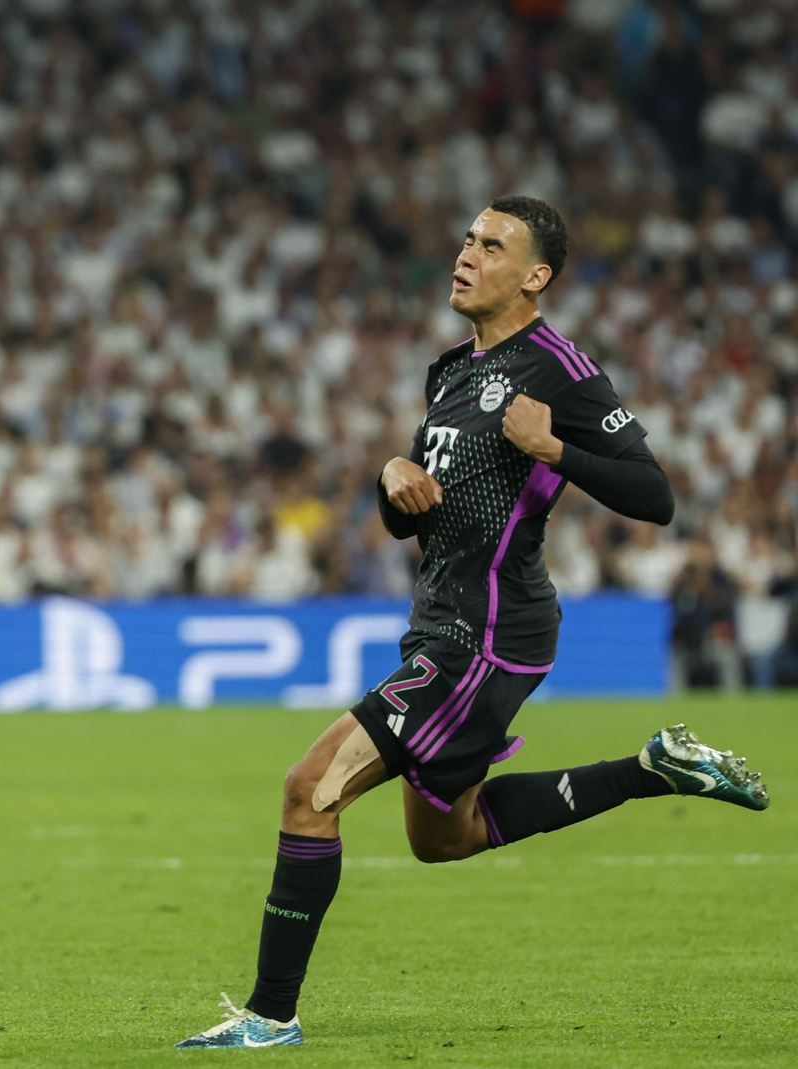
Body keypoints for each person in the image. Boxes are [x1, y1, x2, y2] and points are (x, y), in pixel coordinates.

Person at [176, 196, 769, 1050]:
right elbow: (414, 516)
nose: (466, 254)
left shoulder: (561, 369)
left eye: (492, 246)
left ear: (535, 277)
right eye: (467, 239)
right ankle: (651, 769)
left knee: (310, 789)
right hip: (440, 622)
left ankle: (270, 1015)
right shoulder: (452, 370)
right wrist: (394, 477)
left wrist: (555, 448)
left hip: (486, 635)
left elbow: (656, 495)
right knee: (443, 838)